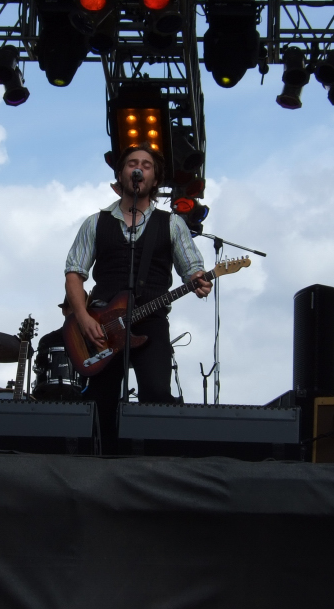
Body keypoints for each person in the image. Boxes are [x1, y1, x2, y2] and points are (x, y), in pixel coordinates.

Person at [64, 145, 211, 448]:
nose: (139, 169)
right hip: (101, 324)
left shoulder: (172, 223)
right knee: (100, 400)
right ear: (121, 174)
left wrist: (199, 281)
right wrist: (83, 317)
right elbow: (74, 274)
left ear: (155, 178)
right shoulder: (95, 222)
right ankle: (100, 463)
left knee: (156, 394)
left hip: (151, 320)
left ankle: (151, 466)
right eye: (132, 163)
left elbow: (192, 269)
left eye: (146, 165)